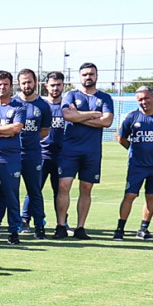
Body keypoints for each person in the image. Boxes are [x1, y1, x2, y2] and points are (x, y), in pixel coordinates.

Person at [55, 61, 114, 238]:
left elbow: (107, 121)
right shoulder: (71, 95)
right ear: (80, 77)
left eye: (91, 74)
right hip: (70, 150)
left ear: (96, 76)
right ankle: (60, 226)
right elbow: (67, 115)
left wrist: (79, 116)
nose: (88, 77)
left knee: (86, 188)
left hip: (92, 151)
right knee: (63, 186)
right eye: (85, 74)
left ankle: (80, 227)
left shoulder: (105, 98)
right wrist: (93, 114)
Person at [114, 86, 153, 240]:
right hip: (137, 165)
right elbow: (122, 138)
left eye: (146, 98)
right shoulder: (132, 117)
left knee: (151, 196)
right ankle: (120, 230)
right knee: (130, 195)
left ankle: (143, 229)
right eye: (140, 99)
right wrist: (133, 150)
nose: (144, 102)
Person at [0, 70, 28, 243]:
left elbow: (15, 129)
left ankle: (14, 231)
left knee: (11, 196)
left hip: (10, 158)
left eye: (6, 84)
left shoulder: (18, 106)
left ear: (11, 86)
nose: (2, 88)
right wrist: (4, 131)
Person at [15, 68, 53, 236]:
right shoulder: (13, 103)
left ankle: (39, 226)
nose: (27, 85)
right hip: (13, 154)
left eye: (29, 82)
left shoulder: (43, 106)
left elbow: (44, 131)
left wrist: (31, 141)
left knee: (35, 191)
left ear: (35, 82)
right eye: (23, 83)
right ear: (19, 84)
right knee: (8, 191)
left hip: (33, 154)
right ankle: (10, 226)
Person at [36, 71, 67, 232]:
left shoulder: (68, 107)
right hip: (41, 154)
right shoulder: (40, 105)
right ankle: (26, 219)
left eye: (58, 85)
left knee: (61, 190)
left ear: (63, 86)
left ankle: (62, 222)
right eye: (52, 85)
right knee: (35, 189)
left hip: (62, 156)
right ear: (46, 86)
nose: (55, 88)